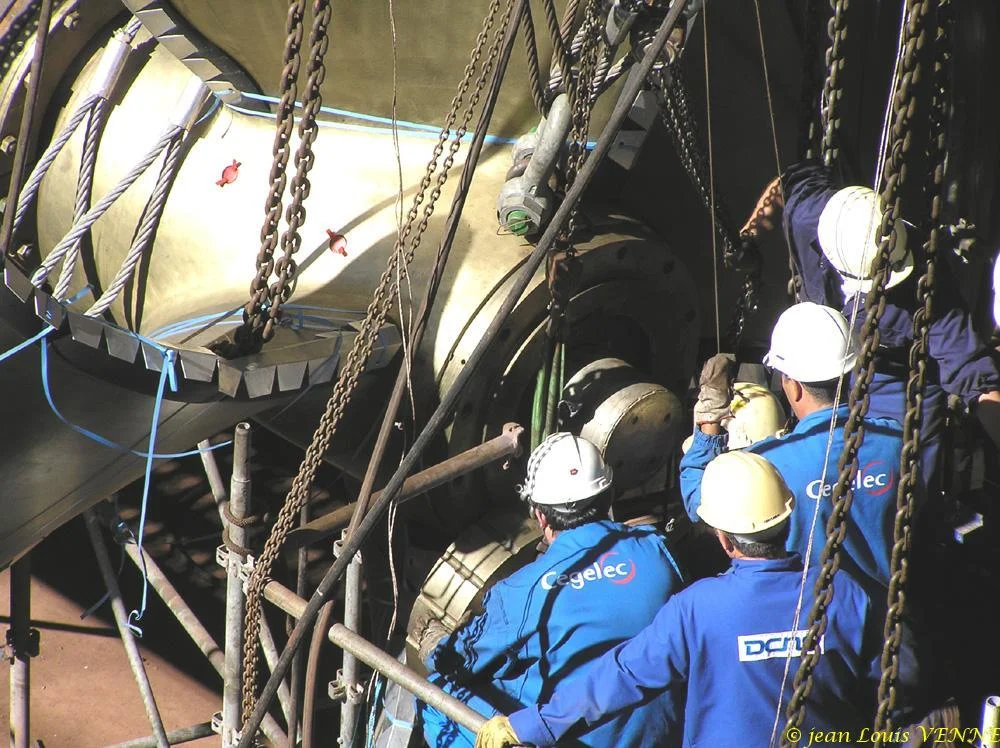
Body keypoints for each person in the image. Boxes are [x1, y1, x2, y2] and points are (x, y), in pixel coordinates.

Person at [475, 451, 909, 748]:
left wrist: (529, 724)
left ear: (723, 538)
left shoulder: (700, 609)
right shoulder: (847, 593)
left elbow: (621, 676)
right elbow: (896, 680)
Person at [743, 162, 1000, 494]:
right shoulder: (809, 214)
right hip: (827, 360)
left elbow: (974, 378)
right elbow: (785, 184)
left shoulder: (928, 285)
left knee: (897, 482)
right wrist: (749, 234)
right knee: (814, 466)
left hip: (890, 379)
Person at [416, 432, 685, 748]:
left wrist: (434, 645)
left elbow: (462, 660)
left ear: (540, 514)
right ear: (609, 497)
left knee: (437, 694)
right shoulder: (656, 551)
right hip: (660, 734)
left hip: (572, 736)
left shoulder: (520, 590)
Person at [681, 302, 909, 606]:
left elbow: (699, 500)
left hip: (811, 624)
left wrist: (709, 422)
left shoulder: (767, 462)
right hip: (887, 620)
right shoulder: (895, 441)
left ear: (794, 387)